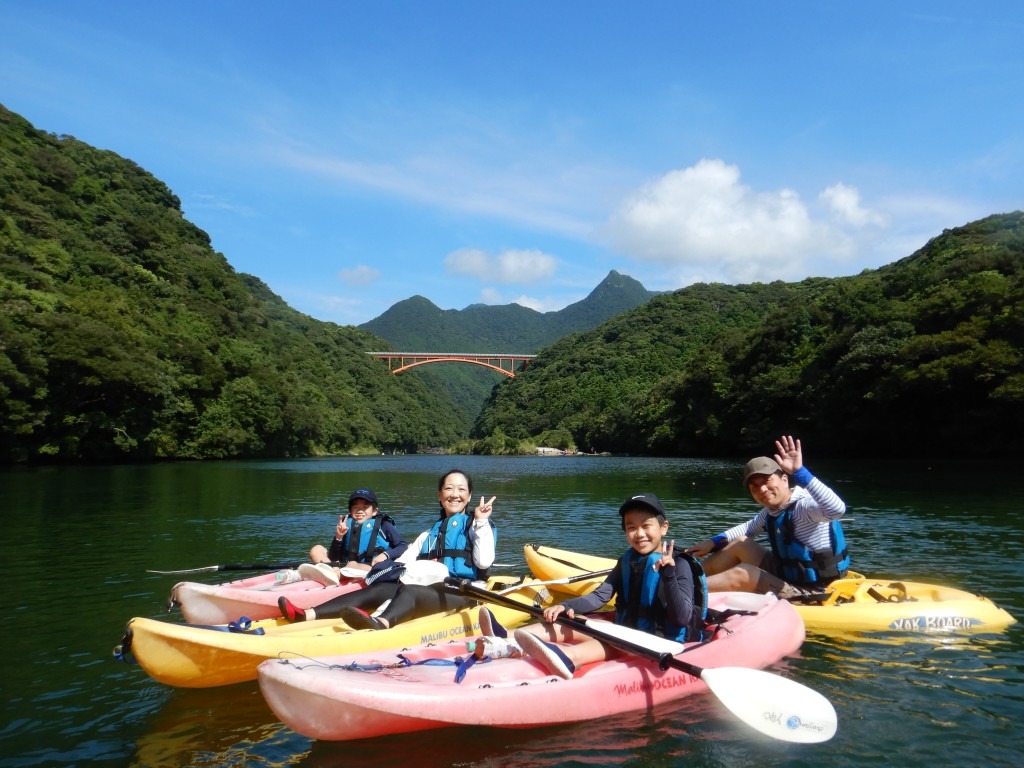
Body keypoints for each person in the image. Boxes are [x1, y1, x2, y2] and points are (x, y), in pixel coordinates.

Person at [470, 493, 707, 680]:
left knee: (612, 640)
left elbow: (682, 617)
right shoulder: (628, 560)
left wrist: (668, 574)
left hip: (662, 642)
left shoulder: (679, 565)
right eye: (631, 527)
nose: (639, 534)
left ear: (664, 527)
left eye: (646, 526)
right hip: (627, 631)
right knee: (575, 621)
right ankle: (506, 638)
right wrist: (565, 606)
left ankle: (568, 657)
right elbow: (601, 595)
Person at [278, 469, 497, 627]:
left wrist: (481, 521)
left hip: (464, 592)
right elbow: (402, 562)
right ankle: (306, 614)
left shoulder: (478, 526)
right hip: (432, 588)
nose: (454, 494)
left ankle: (381, 623)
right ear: (440, 496)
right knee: (379, 589)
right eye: (448, 488)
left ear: (468, 496)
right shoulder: (428, 535)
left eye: (461, 489)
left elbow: (484, 562)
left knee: (410, 590)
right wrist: (368, 571)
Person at [685, 435, 849, 600]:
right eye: (754, 486)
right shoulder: (773, 511)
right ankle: (686, 576)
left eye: (767, 480)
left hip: (817, 590)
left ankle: (679, 591)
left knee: (743, 574)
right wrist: (711, 543)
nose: (762, 489)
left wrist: (800, 472)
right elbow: (748, 529)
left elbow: (837, 509)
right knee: (740, 544)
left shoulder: (804, 506)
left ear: (784, 480)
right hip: (790, 575)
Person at [298, 488, 408, 587]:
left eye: (365, 507)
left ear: (374, 511)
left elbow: (402, 546)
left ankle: (330, 575)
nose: (360, 511)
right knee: (316, 549)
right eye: (356, 507)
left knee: (352, 564)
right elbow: (333, 556)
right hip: (343, 566)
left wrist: (385, 555)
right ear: (351, 510)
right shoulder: (346, 524)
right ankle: (333, 573)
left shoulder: (384, 525)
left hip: (370, 568)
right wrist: (338, 537)